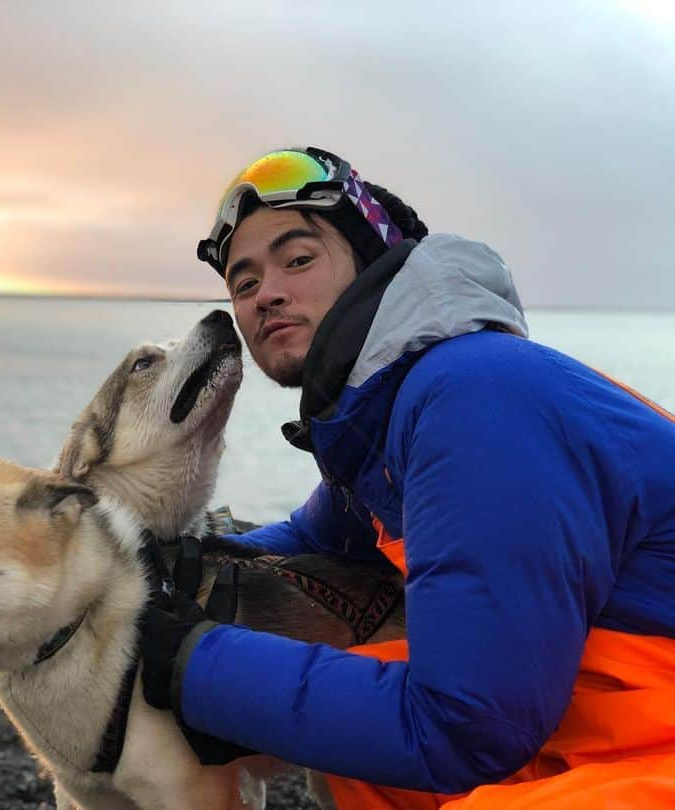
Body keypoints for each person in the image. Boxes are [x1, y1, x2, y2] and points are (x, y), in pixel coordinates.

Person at [139, 147, 675, 808]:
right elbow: (312, 539)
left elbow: (464, 727)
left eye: (298, 259)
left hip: (652, 730)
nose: (266, 294)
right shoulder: (384, 421)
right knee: (365, 755)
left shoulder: (474, 397)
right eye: (243, 284)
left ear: (374, 260)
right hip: (618, 716)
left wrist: (189, 662)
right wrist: (165, 564)